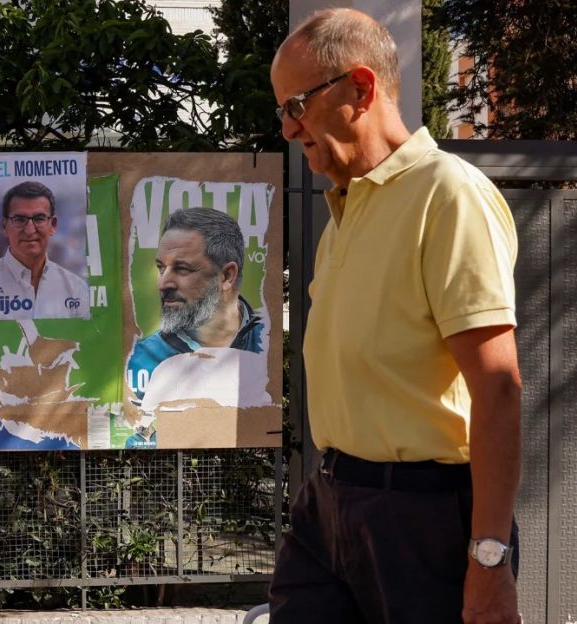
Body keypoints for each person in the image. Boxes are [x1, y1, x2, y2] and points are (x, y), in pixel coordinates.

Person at [268, 9, 521, 624]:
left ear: (360, 87)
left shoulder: (447, 194)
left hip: (421, 518)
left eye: (296, 104)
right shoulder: (345, 211)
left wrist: (489, 558)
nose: (287, 127)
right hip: (327, 506)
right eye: (282, 111)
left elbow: (498, 389)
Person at [125, 207, 263, 403]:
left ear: (226, 276)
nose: (163, 283)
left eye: (182, 269)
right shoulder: (138, 361)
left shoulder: (268, 346)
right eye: (161, 268)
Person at [0, 180, 90, 320]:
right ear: (4, 226)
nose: (29, 230)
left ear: (53, 225)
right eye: (20, 219)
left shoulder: (76, 288)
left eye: (39, 219)